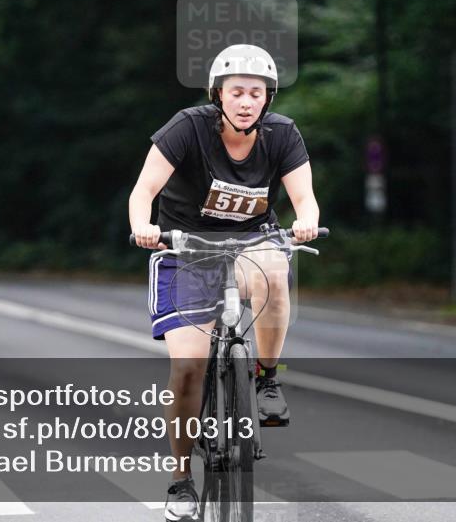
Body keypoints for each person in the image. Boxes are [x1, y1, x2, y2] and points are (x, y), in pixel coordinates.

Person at [129, 44, 320, 521]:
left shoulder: (282, 135)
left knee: (277, 271)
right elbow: (144, 191)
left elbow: (305, 199)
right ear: (218, 95)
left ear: (267, 99)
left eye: (256, 93)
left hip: (250, 242)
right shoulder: (187, 128)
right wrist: (143, 226)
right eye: (237, 91)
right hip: (186, 249)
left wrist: (305, 222)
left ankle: (267, 377)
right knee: (188, 366)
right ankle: (180, 479)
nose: (246, 101)